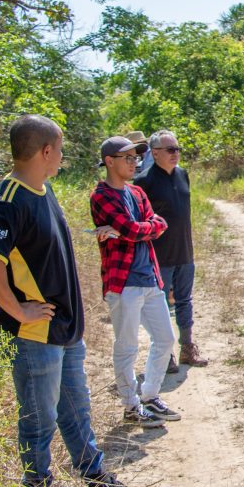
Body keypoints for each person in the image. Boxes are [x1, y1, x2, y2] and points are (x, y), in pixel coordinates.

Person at [0, 115, 129, 487]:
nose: (61, 157)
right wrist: (18, 310)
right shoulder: (7, 201)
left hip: (66, 331)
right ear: (46, 151)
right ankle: (39, 484)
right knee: (39, 419)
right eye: (60, 150)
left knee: (77, 411)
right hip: (34, 335)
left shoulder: (44, 190)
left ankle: (94, 475)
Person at [90, 136, 180, 428]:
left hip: (150, 278)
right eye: (127, 157)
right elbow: (133, 228)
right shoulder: (101, 196)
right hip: (123, 281)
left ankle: (150, 395)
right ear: (109, 161)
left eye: (136, 158)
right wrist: (140, 229)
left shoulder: (138, 192)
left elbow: (157, 224)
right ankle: (130, 405)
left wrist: (137, 229)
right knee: (127, 346)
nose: (134, 163)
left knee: (165, 338)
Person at [134, 129, 208, 372]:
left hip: (185, 252)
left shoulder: (182, 175)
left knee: (185, 300)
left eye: (177, 149)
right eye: (170, 150)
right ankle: (165, 355)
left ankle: (187, 348)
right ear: (155, 153)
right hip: (159, 255)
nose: (176, 154)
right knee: (162, 305)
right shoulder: (143, 181)